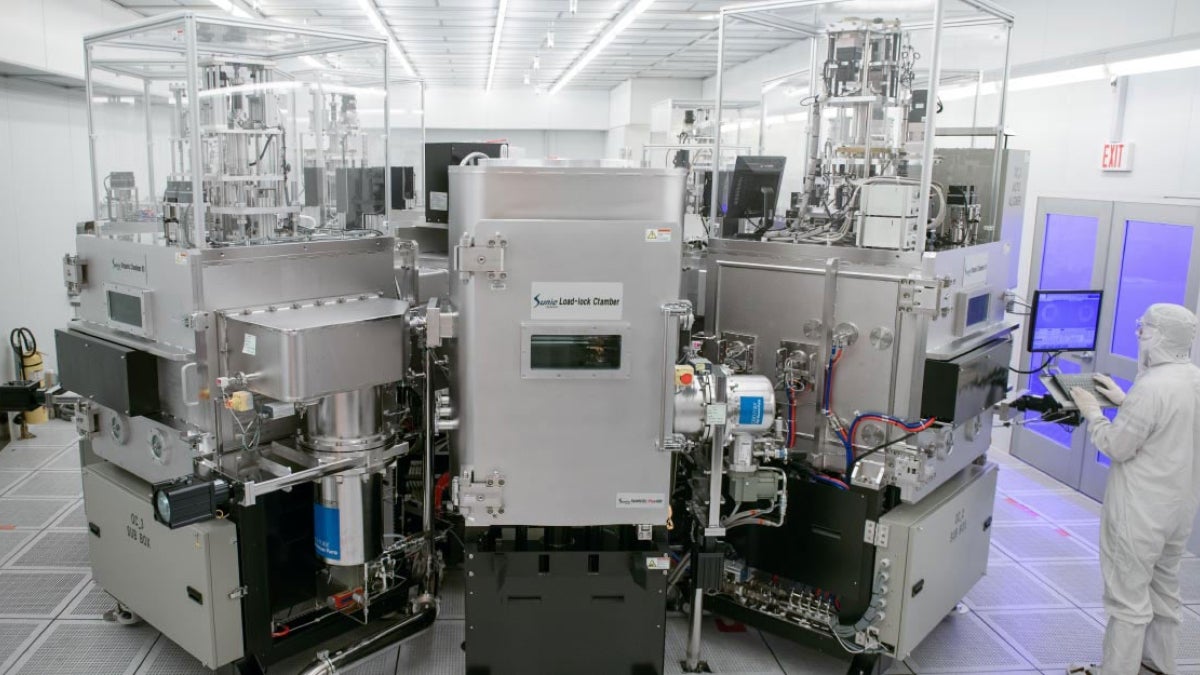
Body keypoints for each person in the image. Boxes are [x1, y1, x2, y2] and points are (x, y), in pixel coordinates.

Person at [1067, 303, 1200, 675]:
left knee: (1127, 602)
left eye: (1145, 328)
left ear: (1158, 335)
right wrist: (1125, 401)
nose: (1140, 333)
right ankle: (1157, 668)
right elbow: (1168, 425)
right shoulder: (1193, 378)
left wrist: (1093, 410)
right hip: (1178, 511)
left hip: (1140, 513)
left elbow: (1117, 446)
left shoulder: (1153, 386)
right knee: (1164, 594)